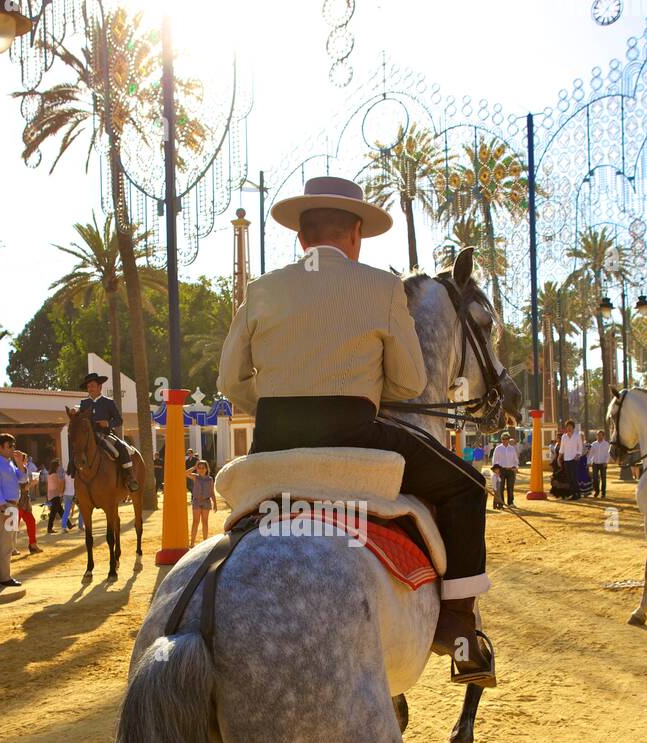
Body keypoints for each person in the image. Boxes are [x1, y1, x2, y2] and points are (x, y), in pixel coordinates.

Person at [218, 174, 494, 685]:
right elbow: (411, 384)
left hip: (272, 443)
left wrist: (284, 405)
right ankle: (458, 627)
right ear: (357, 236)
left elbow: (230, 380)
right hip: (356, 438)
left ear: (301, 238)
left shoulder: (262, 290)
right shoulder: (382, 288)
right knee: (468, 487)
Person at [77, 373, 139, 492]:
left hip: (105, 435)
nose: (90, 388)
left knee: (120, 448)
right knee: (77, 453)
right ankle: (78, 487)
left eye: (92, 386)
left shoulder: (108, 402)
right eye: (88, 386)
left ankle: (130, 477)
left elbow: (119, 420)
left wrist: (108, 423)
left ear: (99, 387)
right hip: (89, 437)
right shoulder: (84, 403)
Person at [0, 433, 27, 586]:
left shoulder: (8, 463)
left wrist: (20, 464)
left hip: (11, 506)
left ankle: (4, 575)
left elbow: (22, 479)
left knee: (9, 543)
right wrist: (4, 507)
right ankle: (3, 577)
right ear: (0, 447)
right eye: (10, 446)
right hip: (5, 506)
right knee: (5, 542)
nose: (12, 449)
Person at [15, 450, 43, 555]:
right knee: (15, 525)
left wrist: (31, 483)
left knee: (30, 521)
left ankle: (33, 544)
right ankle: (12, 547)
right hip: (20, 500)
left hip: (24, 500)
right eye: (25, 459)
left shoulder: (24, 469)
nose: (27, 460)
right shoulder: (19, 470)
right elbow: (23, 488)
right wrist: (32, 483)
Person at [190, 459, 217, 544]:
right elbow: (185, 473)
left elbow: (212, 492)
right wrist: (194, 467)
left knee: (205, 522)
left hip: (206, 502)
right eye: (199, 468)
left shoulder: (210, 479)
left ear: (206, 469)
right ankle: (192, 543)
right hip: (196, 502)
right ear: (197, 469)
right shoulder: (195, 477)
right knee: (195, 522)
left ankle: (205, 542)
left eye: (203, 468)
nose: (201, 470)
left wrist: (215, 504)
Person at [558, 420, 584, 501]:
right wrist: (559, 458)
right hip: (566, 459)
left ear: (573, 427)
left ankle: (575, 494)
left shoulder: (577, 436)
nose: (569, 428)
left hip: (574, 459)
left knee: (574, 477)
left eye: (570, 426)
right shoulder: (564, 437)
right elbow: (562, 448)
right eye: (567, 426)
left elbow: (580, 447)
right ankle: (577, 493)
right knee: (569, 478)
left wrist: (578, 455)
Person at [491, 431, 518, 506]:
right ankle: (501, 503)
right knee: (501, 487)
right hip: (501, 470)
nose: (505, 440)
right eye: (503, 438)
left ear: (509, 439)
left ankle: (511, 503)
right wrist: (495, 470)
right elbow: (494, 459)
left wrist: (515, 467)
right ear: (501, 439)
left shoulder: (512, 448)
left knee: (510, 488)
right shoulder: (498, 448)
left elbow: (516, 460)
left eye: (506, 438)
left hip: (511, 470)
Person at [587, 429, 610, 498]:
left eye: (600, 435)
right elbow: (590, 454)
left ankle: (603, 493)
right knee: (595, 478)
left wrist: (606, 462)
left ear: (603, 436)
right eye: (598, 435)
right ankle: (597, 491)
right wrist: (588, 462)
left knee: (603, 478)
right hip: (595, 463)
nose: (599, 436)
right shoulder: (594, 444)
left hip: (603, 463)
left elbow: (608, 454)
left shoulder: (606, 444)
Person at [46, 460, 65, 533]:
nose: (59, 467)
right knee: (53, 513)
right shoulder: (55, 475)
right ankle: (49, 528)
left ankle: (69, 524)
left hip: (52, 494)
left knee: (60, 511)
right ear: (56, 467)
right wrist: (61, 494)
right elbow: (58, 485)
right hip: (55, 494)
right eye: (58, 465)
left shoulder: (49, 474)